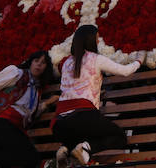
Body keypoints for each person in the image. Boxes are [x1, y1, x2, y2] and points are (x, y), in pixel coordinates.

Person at [52, 25, 146, 166]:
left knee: (81, 135)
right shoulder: (96, 59)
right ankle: (84, 149)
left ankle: (66, 149)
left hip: (58, 123)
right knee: (119, 137)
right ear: (91, 40)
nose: (98, 41)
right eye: (97, 38)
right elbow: (125, 71)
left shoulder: (66, 62)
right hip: (84, 117)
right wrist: (139, 61)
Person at [0, 50, 59, 168]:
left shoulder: (37, 91)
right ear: (30, 62)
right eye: (36, 61)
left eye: (43, 63)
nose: (38, 65)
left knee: (30, 159)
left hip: (13, 130)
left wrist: (47, 103)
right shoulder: (16, 73)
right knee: (30, 158)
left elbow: (28, 114)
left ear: (46, 68)